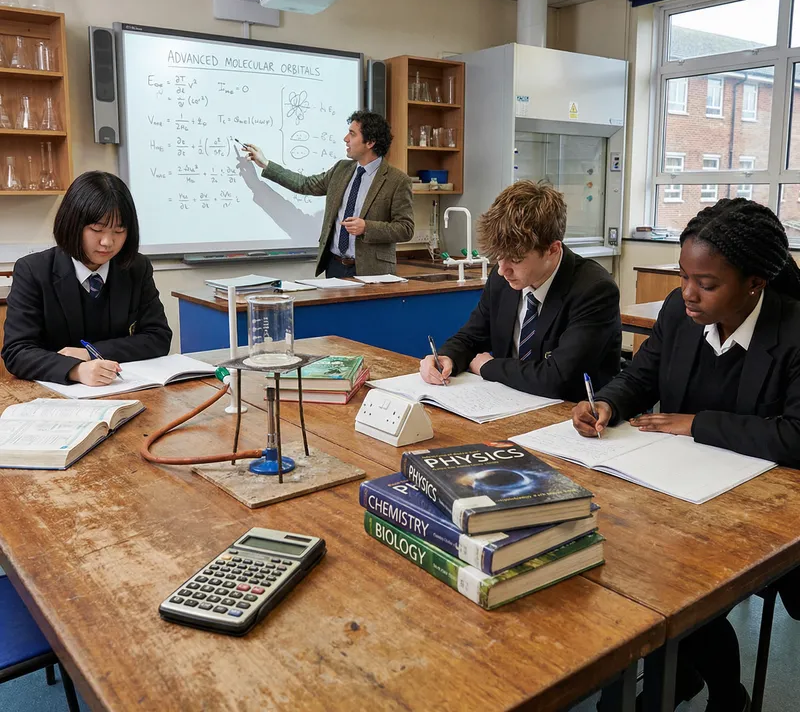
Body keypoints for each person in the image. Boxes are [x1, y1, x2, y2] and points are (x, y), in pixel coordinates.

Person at [575, 198, 800, 712]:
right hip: (682, 490)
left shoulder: (793, 331)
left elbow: (796, 435)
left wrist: (698, 424)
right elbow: (640, 376)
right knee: (630, 557)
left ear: (755, 284)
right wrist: (606, 403)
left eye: (707, 283)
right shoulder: (679, 313)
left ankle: (723, 692)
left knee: (679, 583)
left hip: (765, 508)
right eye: (682, 277)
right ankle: (686, 673)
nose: (688, 294)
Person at [420, 181, 621, 402]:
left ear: (552, 250)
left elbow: (558, 379)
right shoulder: (503, 278)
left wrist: (489, 366)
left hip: (571, 416)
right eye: (499, 256)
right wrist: (447, 357)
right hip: (509, 402)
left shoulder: (594, 290)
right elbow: (472, 336)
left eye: (515, 259)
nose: (502, 269)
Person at [2, 171, 172, 386]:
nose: (107, 242)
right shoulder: (33, 271)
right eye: (96, 229)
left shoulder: (136, 268)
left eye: (119, 231)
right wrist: (76, 370)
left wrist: (91, 353)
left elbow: (158, 337)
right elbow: (17, 352)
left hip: (125, 389)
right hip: (55, 397)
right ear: (72, 224)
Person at [243, 110, 413, 278]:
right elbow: (305, 184)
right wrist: (266, 164)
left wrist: (367, 227)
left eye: (352, 134)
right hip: (335, 267)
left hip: (373, 272)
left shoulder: (397, 180)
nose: (346, 139)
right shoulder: (341, 169)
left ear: (370, 142)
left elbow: (406, 228)